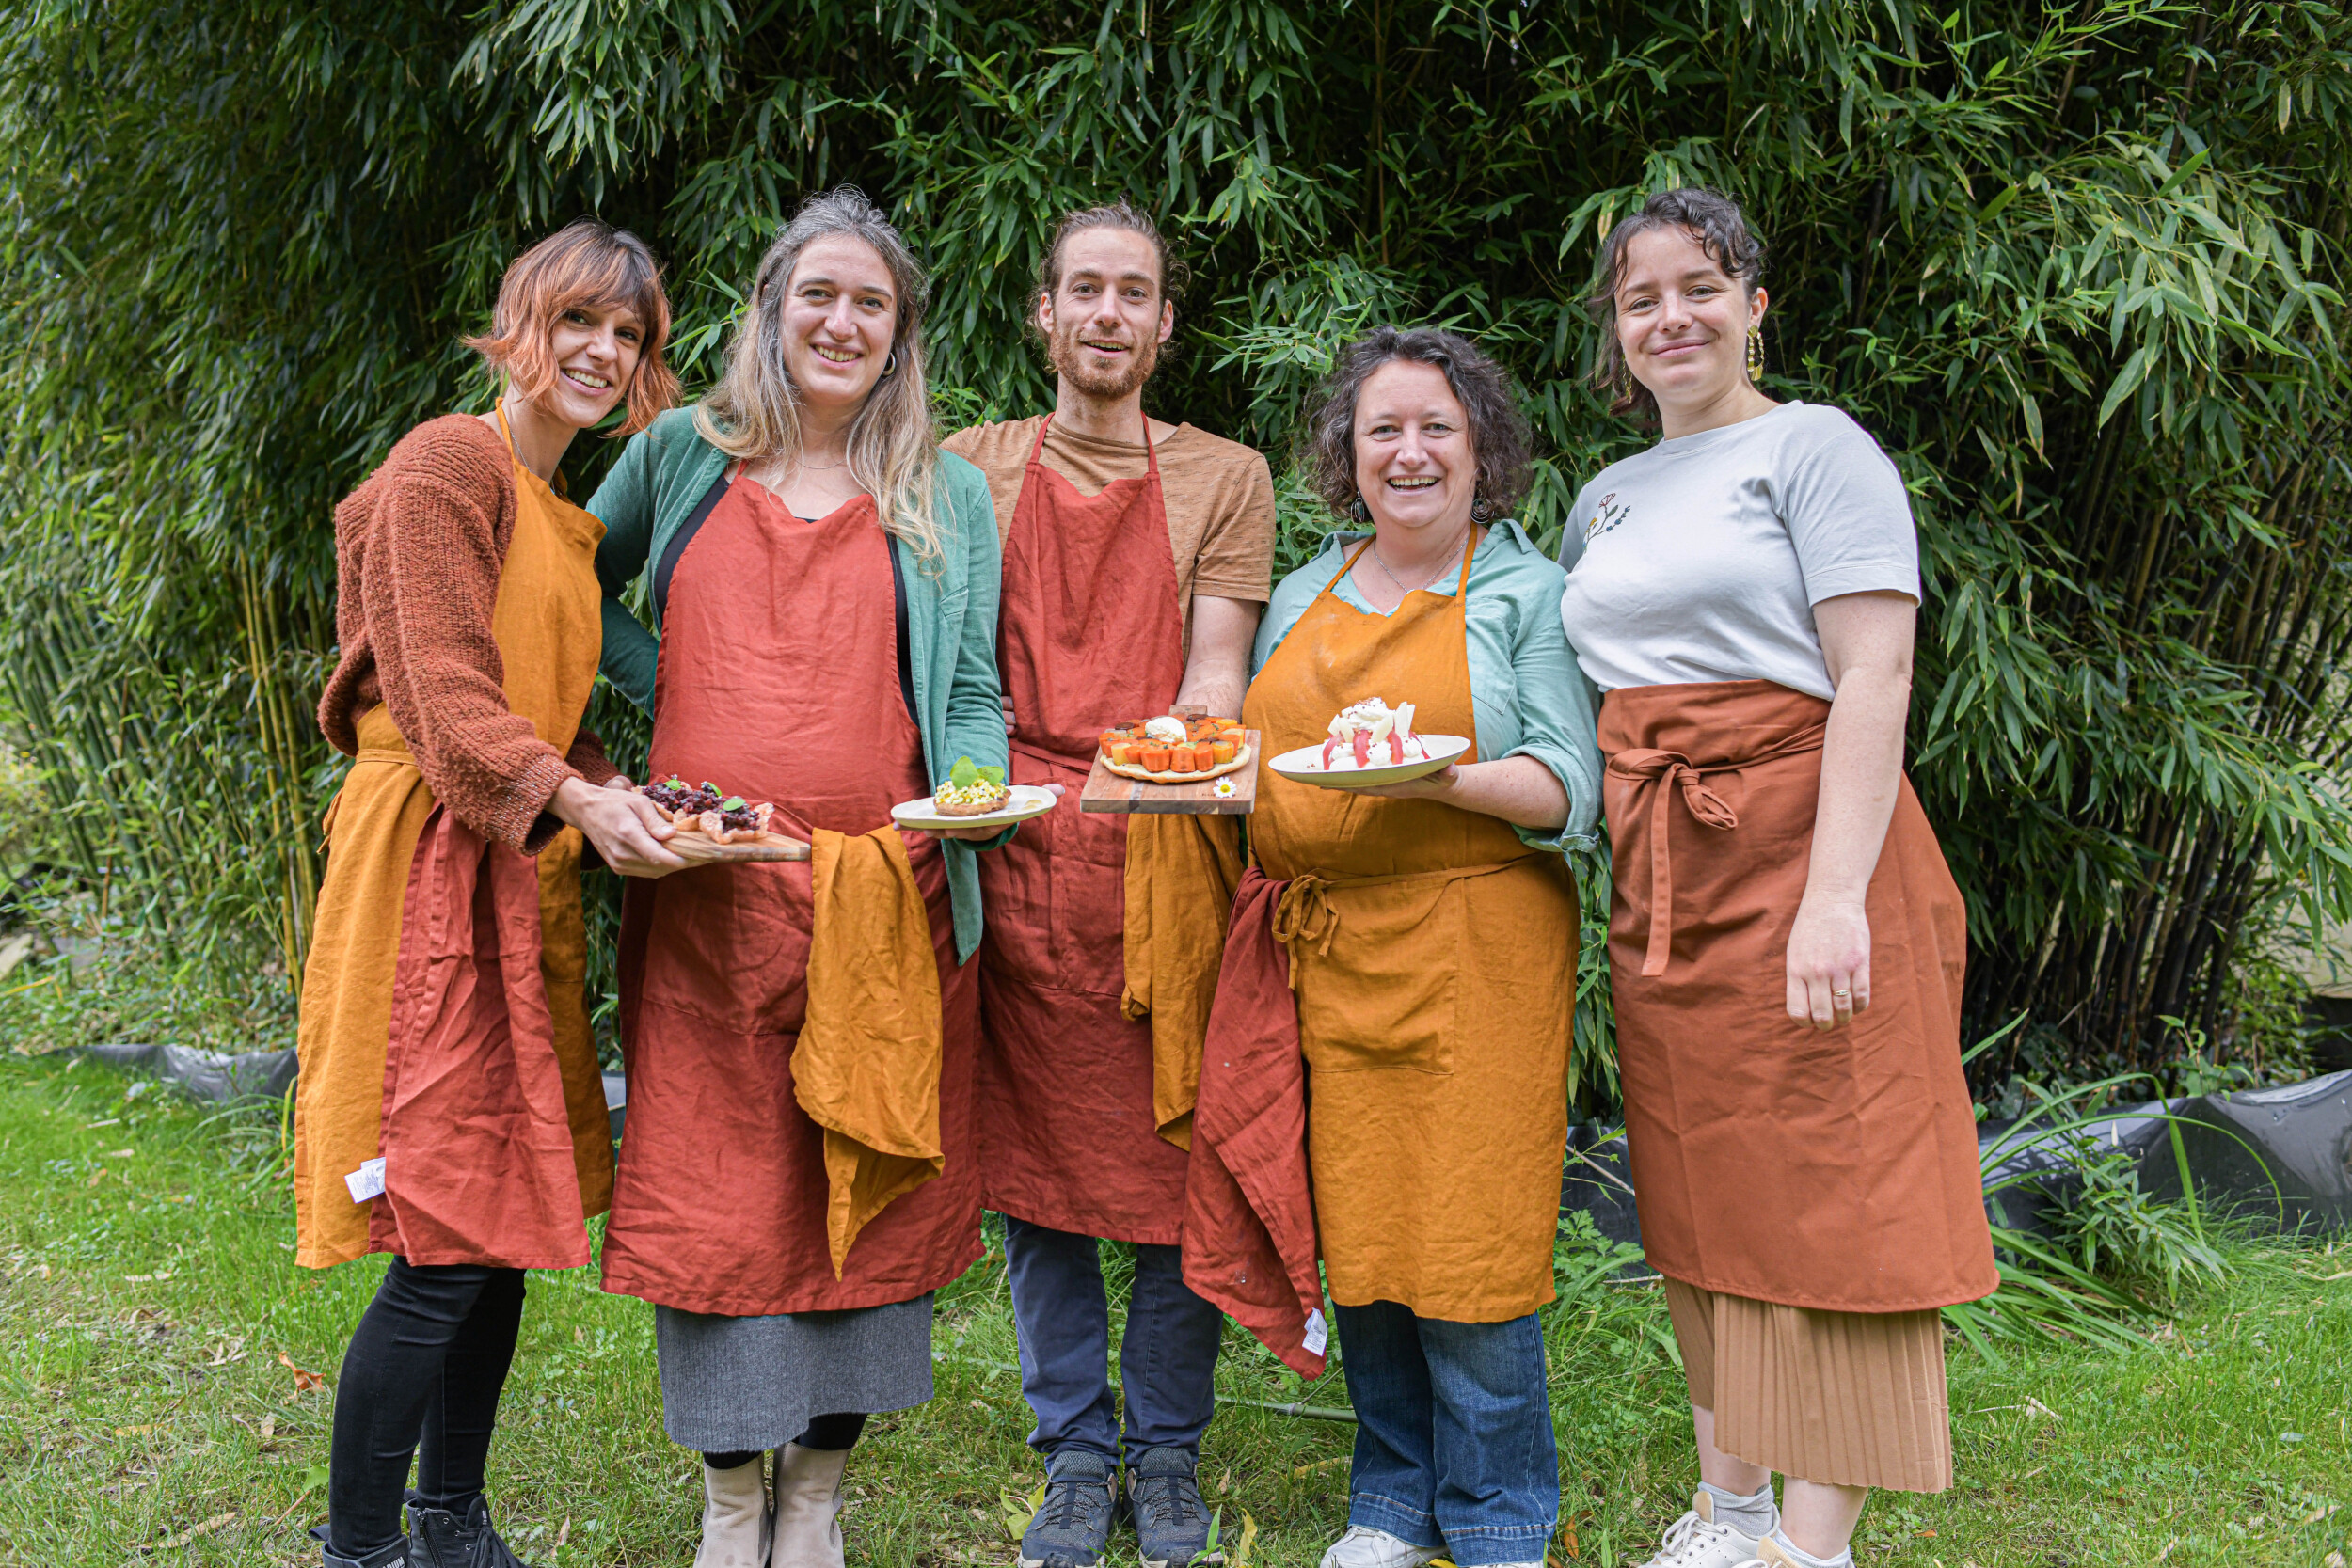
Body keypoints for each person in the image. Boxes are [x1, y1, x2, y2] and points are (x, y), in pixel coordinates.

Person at [1557, 187, 1997, 1568]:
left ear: (1755, 303)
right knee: (1699, 1187)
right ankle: (1727, 1508)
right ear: (1615, 334)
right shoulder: (1607, 497)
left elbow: (1876, 671)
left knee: (1841, 1188)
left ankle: (1811, 1550)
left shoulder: (1816, 448)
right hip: (1665, 876)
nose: (1670, 316)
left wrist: (1831, 897)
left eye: (1699, 286)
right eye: (1641, 299)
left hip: (1812, 849)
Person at [586, 188, 1009, 1568]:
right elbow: (568, 591)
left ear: (899, 336)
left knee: (861, 1185)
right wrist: (655, 721)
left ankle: (816, 1496)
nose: (840, 321)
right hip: (708, 901)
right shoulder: (679, 455)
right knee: (717, 1199)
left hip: (884, 896)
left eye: (869, 304)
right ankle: (727, 1501)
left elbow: (969, 690)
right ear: (770, 308)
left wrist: (977, 797)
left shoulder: (941, 489)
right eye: (816, 294)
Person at [296, 219, 685, 1568]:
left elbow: (544, 716)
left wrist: (616, 788)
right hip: (426, 870)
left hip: (513, 864)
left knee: (507, 1218)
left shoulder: (568, 524)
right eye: (578, 321)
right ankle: (359, 1552)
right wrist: (572, 796)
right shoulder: (446, 463)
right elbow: (449, 696)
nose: (601, 352)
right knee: (449, 1229)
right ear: (520, 326)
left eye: (629, 336)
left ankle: (449, 1523)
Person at [1232, 326, 1602, 1568]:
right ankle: (1393, 1499)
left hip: (1479, 946)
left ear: (1480, 448)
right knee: (1370, 1235)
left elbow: (1568, 790)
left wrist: (1442, 776)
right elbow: (1260, 760)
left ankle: (1497, 1511)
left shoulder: (1523, 592)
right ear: (1346, 450)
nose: (1409, 451)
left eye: (1436, 427)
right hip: (1330, 954)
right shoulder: (1300, 591)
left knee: (1472, 1238)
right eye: (1383, 427)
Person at [941, 200, 1277, 1568]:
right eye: (1084, 288)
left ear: (1163, 324)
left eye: (1132, 293)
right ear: (1043, 311)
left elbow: (1214, 678)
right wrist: (1000, 802)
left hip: (1166, 839)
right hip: (1012, 849)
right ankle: (1075, 1451)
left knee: (1180, 1162)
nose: (1106, 315)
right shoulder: (966, 468)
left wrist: (1150, 774)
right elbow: (950, 673)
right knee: (1035, 1177)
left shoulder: (1226, 476)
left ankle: (1171, 1452)